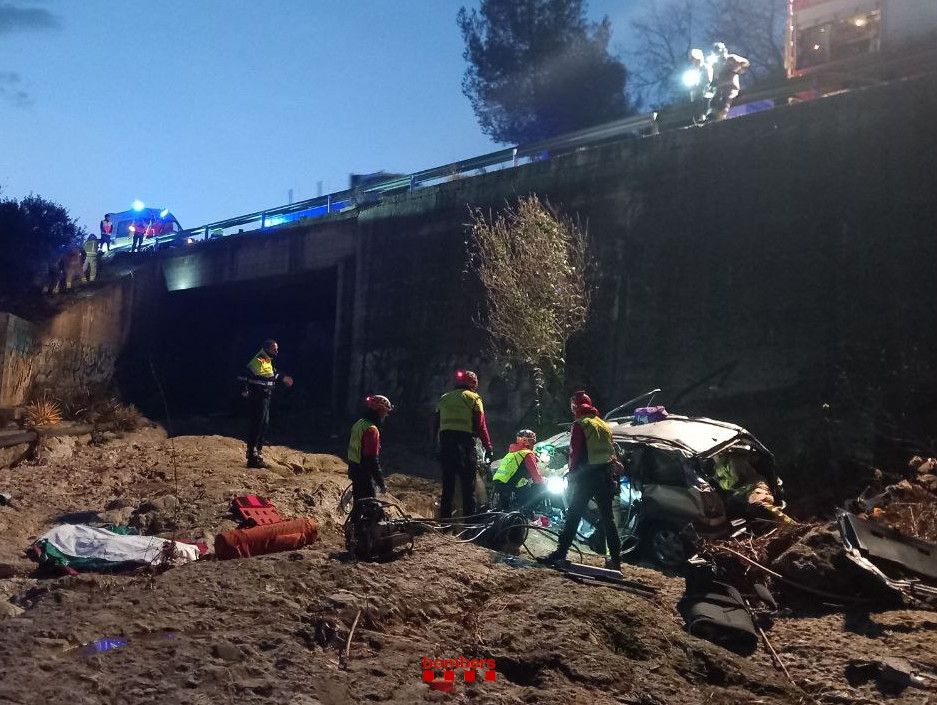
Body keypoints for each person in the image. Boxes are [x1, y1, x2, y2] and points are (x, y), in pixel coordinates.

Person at [544, 391, 622, 570]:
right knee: (608, 518)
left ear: (575, 407)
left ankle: (561, 553)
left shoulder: (580, 424)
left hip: (587, 477)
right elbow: (610, 450)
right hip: (606, 475)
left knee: (573, 514)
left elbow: (575, 451)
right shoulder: (603, 424)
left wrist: (572, 473)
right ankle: (616, 560)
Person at [432, 370, 494, 520]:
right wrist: (488, 447)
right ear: (473, 384)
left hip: (446, 444)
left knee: (448, 486)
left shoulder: (444, 398)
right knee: (468, 485)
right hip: (464, 443)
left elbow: (435, 424)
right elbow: (481, 426)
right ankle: (469, 523)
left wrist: (434, 444)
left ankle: (444, 523)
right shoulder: (474, 398)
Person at [237, 339, 294, 468]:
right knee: (257, 424)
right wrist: (245, 390)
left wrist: (283, 377)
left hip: (266, 396)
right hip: (258, 396)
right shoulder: (259, 360)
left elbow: (273, 373)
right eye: (275, 349)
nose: (277, 352)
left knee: (264, 423)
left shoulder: (267, 360)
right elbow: (251, 375)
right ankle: (252, 456)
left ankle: (258, 453)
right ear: (267, 349)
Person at [713, 449, 794, 524]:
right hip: (747, 485)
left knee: (758, 503)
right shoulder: (732, 462)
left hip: (750, 485)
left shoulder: (731, 465)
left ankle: (788, 523)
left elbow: (735, 481)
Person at [347, 395, 393, 505]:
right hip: (364, 475)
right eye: (385, 412)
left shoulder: (359, 424)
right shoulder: (372, 430)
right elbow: (371, 460)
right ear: (380, 410)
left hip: (354, 471)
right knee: (370, 507)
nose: (386, 415)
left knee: (358, 505)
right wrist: (381, 483)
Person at [491, 429, 545, 515]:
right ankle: (527, 511)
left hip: (499, 487)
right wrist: (542, 482)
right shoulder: (527, 454)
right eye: (532, 442)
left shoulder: (511, 453)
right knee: (542, 487)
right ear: (528, 442)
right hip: (513, 488)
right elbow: (536, 477)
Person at [707, 42, 750, 122]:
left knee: (725, 100)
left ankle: (721, 118)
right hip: (720, 87)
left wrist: (737, 70)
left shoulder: (731, 58)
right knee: (713, 101)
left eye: (718, 50)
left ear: (723, 50)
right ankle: (712, 117)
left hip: (731, 86)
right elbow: (714, 77)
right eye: (715, 51)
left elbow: (745, 63)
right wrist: (712, 84)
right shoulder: (715, 64)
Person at [688, 48, 714, 123]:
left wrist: (702, 86)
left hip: (706, 93)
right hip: (695, 94)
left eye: (694, 59)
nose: (693, 61)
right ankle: (698, 121)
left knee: (703, 108)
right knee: (696, 110)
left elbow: (708, 80)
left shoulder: (706, 67)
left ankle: (704, 119)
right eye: (692, 59)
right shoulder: (692, 70)